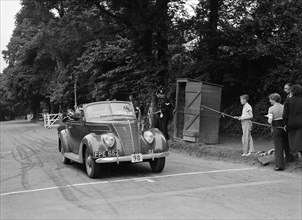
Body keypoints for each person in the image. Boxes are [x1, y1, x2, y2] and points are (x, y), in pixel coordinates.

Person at [267, 93, 292, 171]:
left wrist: (268, 118)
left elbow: (269, 121)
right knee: (286, 143)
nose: (269, 101)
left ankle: (279, 165)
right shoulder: (284, 106)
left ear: (274, 99)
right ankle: (290, 159)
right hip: (285, 126)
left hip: (277, 127)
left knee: (278, 146)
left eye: (270, 99)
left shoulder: (271, 109)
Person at [282, 84, 302, 162]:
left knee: (295, 143)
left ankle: (294, 157)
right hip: (301, 124)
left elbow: (284, 115)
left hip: (291, 124)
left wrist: (286, 124)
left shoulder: (288, 100)